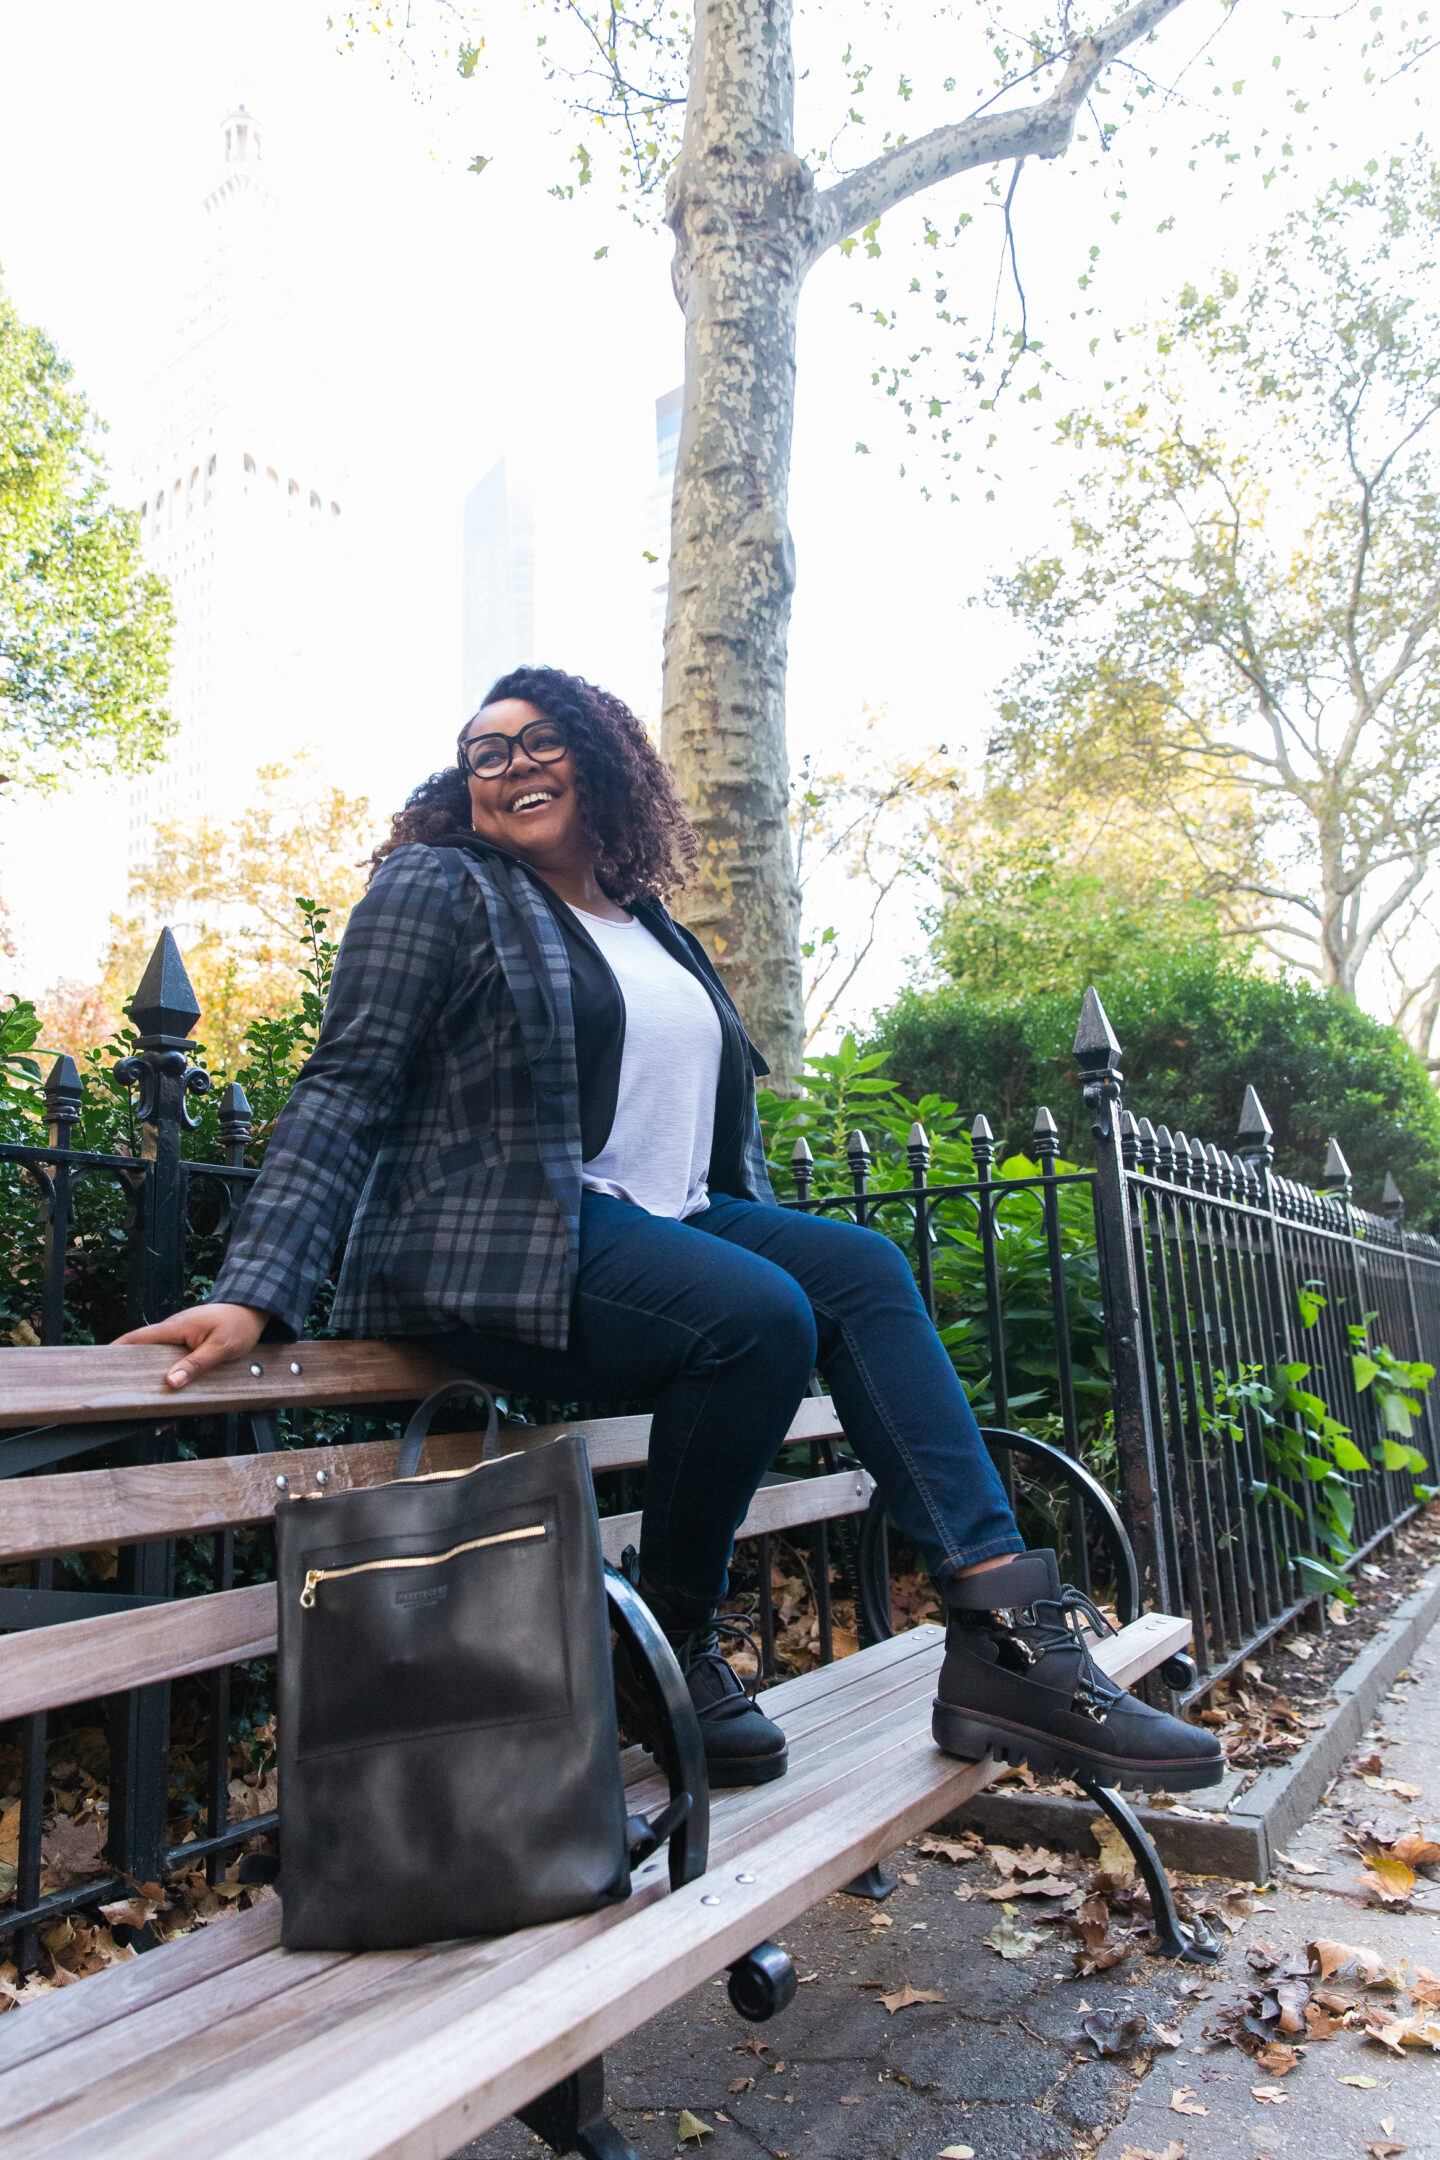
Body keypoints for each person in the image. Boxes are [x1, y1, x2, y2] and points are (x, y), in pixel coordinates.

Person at [119, 665, 1221, 1796]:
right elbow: (347, 1080)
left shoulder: (651, 925)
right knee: (757, 1316)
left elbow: (700, 1144)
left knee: (861, 1271)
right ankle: (665, 1646)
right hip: (499, 1242)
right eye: (484, 753)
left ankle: (1007, 1641)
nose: (510, 766)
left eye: (539, 740)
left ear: (601, 759)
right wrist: (258, 1286)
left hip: (657, 1226)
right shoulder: (442, 886)